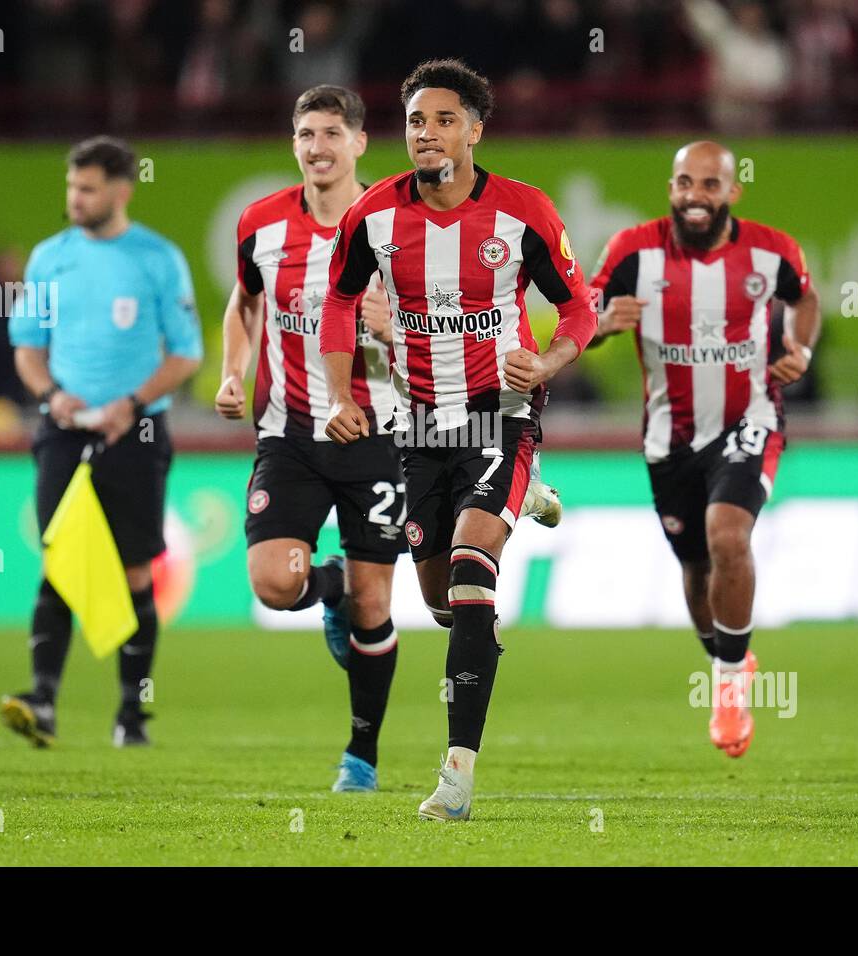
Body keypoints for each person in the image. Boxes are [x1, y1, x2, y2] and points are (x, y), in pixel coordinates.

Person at [319, 58, 593, 821]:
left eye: (444, 119)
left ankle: (457, 776)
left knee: (475, 566)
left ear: (475, 129)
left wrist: (548, 359)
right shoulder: (372, 216)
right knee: (444, 602)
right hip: (421, 425)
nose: (427, 134)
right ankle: (524, 496)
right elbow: (338, 305)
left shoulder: (525, 213)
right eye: (415, 121)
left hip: (501, 410)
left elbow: (581, 311)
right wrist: (343, 395)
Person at [588, 140, 820, 758]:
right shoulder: (633, 251)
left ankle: (726, 684)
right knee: (695, 571)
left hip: (750, 418)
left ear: (732, 192)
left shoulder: (772, 251)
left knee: (726, 535)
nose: (696, 196)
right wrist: (600, 324)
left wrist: (800, 346)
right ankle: (729, 662)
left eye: (710, 185)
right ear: (671, 188)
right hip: (671, 438)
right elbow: (580, 306)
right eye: (685, 183)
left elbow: (805, 298)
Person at [214, 85, 404, 792]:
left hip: (376, 434)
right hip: (290, 433)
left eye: (331, 133)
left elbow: (445, 327)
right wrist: (235, 372)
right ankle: (326, 589)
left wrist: (395, 328)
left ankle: (361, 756)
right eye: (305, 135)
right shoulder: (261, 224)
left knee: (377, 605)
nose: (317, 148)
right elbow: (246, 302)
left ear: (359, 142)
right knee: (273, 582)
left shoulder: (396, 226)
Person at [1, 136, 203, 748]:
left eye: (86, 188)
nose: (75, 199)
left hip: (136, 432)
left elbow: (186, 353)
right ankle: (42, 700)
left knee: (136, 569)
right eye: (71, 187)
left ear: (121, 189)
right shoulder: (49, 258)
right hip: (63, 430)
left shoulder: (158, 259)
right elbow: (28, 348)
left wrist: (131, 404)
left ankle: (130, 714)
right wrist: (50, 396)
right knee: (60, 559)